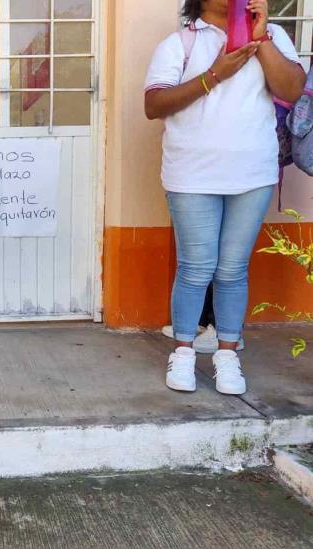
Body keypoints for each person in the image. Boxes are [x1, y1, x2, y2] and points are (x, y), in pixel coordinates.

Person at [145, 0, 305, 395]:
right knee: (196, 268)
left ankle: (227, 354)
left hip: (252, 174)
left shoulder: (272, 37)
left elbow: (292, 89)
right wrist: (215, 74)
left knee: (233, 270)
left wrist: (261, 37)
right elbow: (154, 105)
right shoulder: (180, 43)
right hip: (192, 175)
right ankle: (183, 352)